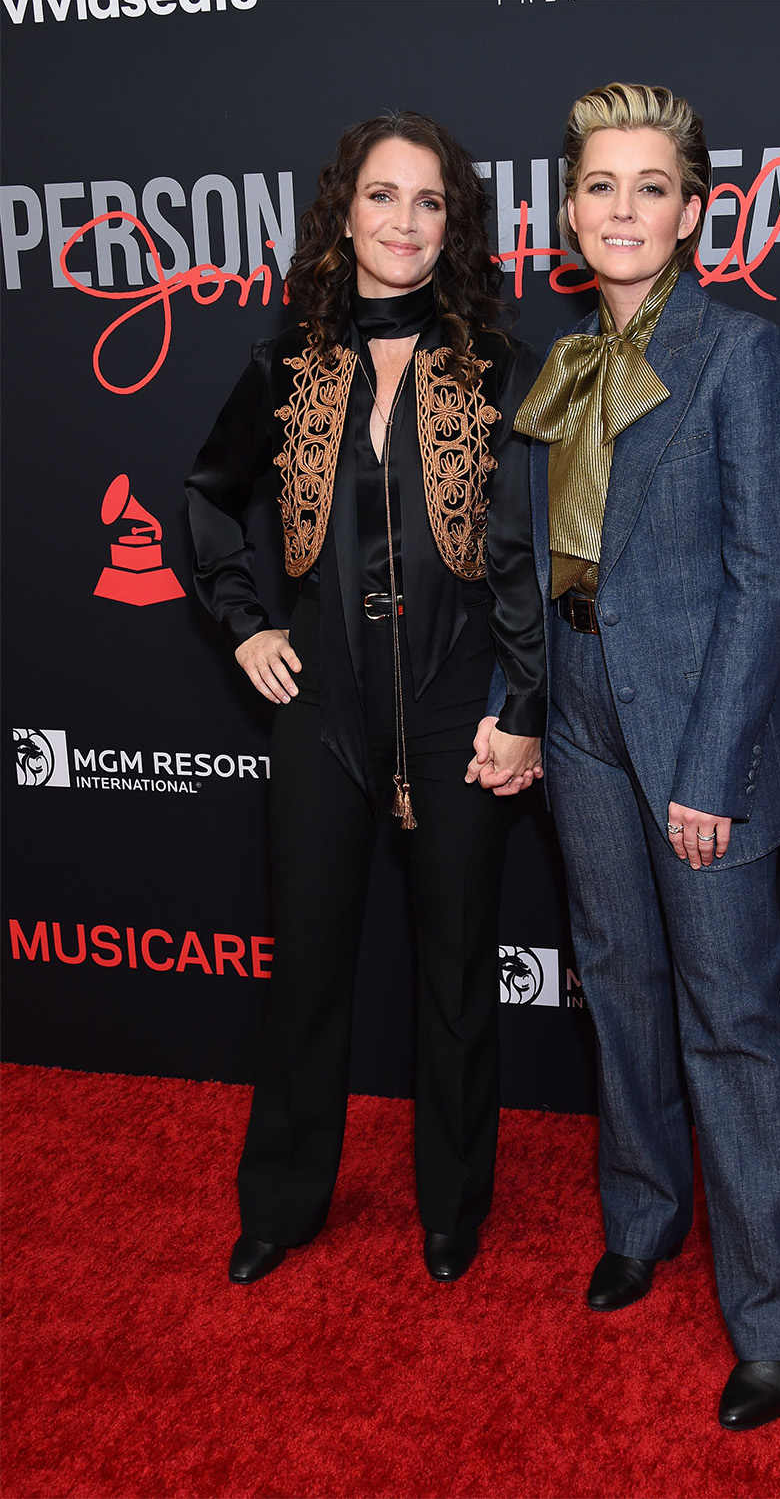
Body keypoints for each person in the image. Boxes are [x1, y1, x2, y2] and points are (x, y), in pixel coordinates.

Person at [505, 82, 780, 1431]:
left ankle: (774, 1315)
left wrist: (707, 770)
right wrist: (518, 703)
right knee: (620, 988)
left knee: (733, 1022)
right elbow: (538, 568)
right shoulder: (562, 357)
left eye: (648, 186)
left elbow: (763, 581)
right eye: (598, 185)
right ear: (567, 208)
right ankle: (641, 1217)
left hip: (700, 743)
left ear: (691, 211)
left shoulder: (737, 356)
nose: (620, 209)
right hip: (580, 718)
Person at [186, 112, 545, 1289]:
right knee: (308, 970)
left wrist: (520, 701)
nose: (404, 221)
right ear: (345, 214)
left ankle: (453, 1203)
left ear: (455, 224)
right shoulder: (290, 358)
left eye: (428, 201)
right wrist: (246, 627)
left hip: (457, 710)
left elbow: (533, 558)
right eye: (383, 198)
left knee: (454, 971)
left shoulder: (497, 366)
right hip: (321, 706)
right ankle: (282, 1200)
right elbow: (206, 495)